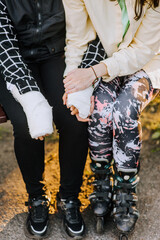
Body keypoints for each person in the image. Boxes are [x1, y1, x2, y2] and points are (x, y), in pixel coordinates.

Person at [62, 0, 160, 237]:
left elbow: (142, 50)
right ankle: (101, 179)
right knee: (101, 110)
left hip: (147, 62)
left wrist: (95, 72)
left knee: (125, 110)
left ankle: (126, 188)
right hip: (106, 59)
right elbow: (77, 38)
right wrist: (74, 86)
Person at [0, 0, 89, 239]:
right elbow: (4, 46)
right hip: (13, 60)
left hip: (57, 54)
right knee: (25, 122)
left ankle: (69, 197)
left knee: (73, 117)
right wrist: (32, 98)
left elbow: (87, 27)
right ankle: (36, 197)